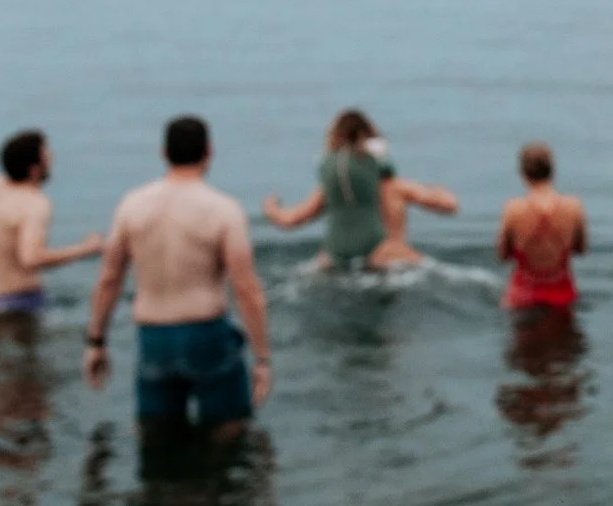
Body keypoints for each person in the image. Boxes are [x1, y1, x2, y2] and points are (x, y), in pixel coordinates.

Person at [84, 116, 273, 436]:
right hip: (206, 333)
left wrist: (96, 342)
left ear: (163, 153)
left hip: (153, 337)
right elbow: (246, 288)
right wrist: (263, 360)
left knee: (158, 437)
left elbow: (109, 279)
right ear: (209, 152)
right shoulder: (223, 209)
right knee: (227, 432)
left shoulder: (132, 205)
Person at [260, 108, 459, 270]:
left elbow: (290, 220)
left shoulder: (330, 189)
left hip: (336, 262)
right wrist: (440, 190)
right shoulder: (397, 187)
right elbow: (449, 206)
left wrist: (271, 208)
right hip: (389, 258)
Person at [0, 128, 103, 314]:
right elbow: (32, 258)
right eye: (47, 159)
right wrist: (88, 248)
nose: (51, 161)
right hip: (21, 299)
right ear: (34, 169)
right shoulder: (35, 203)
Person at [497, 142, 586, 311]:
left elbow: (503, 255)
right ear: (552, 170)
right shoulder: (574, 206)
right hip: (562, 291)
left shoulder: (513, 209)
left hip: (523, 293)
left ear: (523, 173)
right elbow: (580, 249)